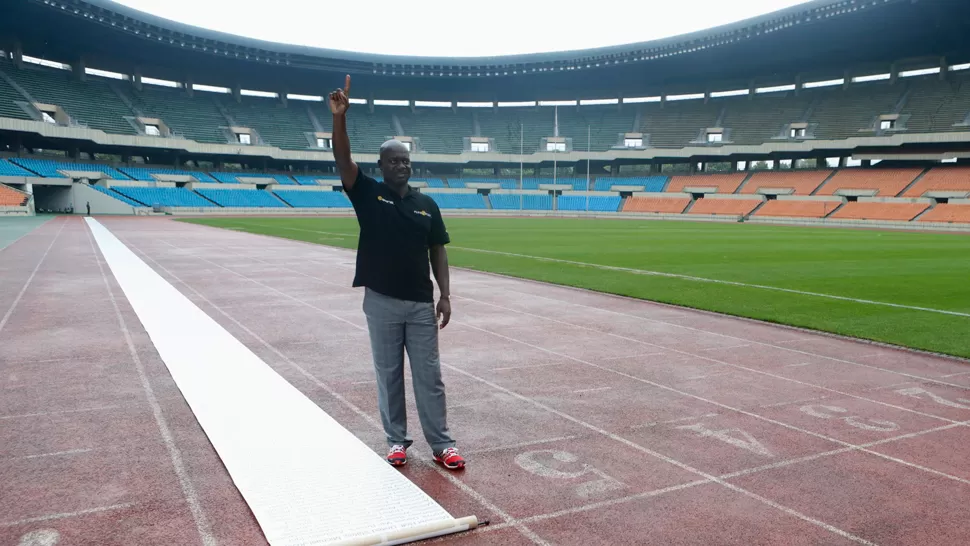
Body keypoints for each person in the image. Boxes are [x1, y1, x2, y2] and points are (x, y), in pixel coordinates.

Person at [329, 75, 465, 470]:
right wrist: (340, 119)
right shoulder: (368, 194)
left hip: (421, 305)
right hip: (382, 302)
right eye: (394, 160)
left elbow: (437, 249)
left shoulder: (427, 204)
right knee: (389, 375)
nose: (401, 165)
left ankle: (442, 444)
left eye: (405, 160)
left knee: (430, 378)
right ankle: (396, 442)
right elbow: (342, 159)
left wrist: (446, 294)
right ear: (381, 166)